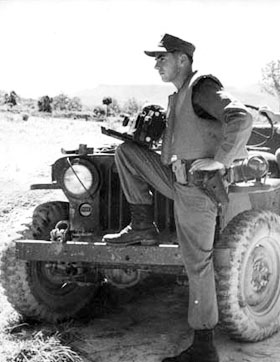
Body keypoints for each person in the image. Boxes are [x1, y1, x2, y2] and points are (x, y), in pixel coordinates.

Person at [102, 34, 253, 362]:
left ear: (182, 59)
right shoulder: (179, 94)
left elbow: (241, 118)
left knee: (197, 263)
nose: (156, 64)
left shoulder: (202, 87)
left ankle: (203, 347)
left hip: (198, 189)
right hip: (177, 178)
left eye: (161, 58)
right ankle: (142, 225)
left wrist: (220, 161)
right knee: (127, 153)